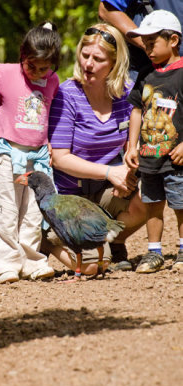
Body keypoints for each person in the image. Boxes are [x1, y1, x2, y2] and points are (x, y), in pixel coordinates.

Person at [44, 23, 147, 277]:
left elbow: (133, 142)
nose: (88, 64)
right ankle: (44, 238)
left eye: (98, 59)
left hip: (103, 194)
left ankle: (109, 240)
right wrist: (110, 173)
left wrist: (129, 172)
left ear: (114, 63)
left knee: (151, 197)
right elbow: (60, 158)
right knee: (92, 268)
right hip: (70, 199)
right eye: (85, 55)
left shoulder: (126, 94)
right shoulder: (67, 94)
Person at [0, 22, 61, 284]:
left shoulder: (52, 80)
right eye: (32, 66)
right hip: (8, 154)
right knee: (7, 210)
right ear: (22, 55)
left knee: (33, 212)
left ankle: (31, 261)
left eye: (44, 67)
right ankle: (3, 264)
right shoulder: (6, 73)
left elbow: (49, 114)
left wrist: (49, 141)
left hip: (38, 156)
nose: (38, 72)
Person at [125, 10, 183, 273]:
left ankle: (182, 249)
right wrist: (131, 145)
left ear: (173, 40)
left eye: (151, 43)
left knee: (181, 203)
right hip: (149, 156)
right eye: (144, 44)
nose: (146, 49)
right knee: (152, 204)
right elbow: (137, 109)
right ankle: (154, 251)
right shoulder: (146, 74)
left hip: (176, 157)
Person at [98, 0, 183, 80]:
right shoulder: (143, 77)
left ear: (174, 40)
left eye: (151, 44)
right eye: (147, 43)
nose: (149, 49)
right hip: (141, 69)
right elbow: (106, 10)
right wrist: (149, 44)